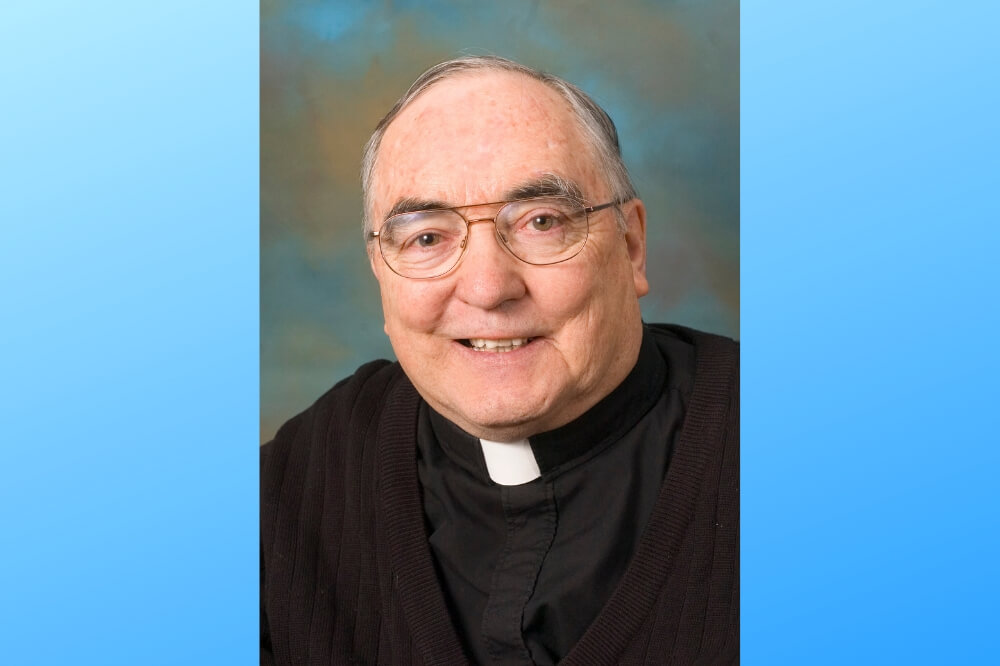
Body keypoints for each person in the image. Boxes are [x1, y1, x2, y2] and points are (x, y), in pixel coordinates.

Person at [260, 55, 738, 665]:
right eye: (426, 237)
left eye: (542, 222)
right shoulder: (297, 485)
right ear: (381, 274)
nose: (487, 287)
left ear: (632, 246)